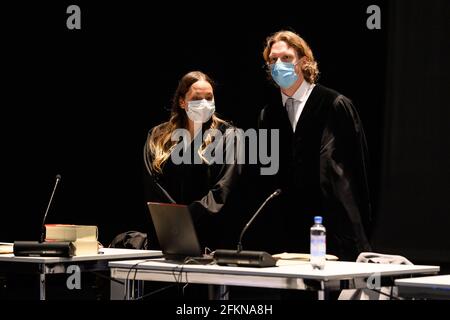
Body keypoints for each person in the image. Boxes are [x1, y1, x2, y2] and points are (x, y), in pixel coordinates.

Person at [256, 30, 372, 261]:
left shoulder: (334, 105)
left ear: (304, 61)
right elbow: (266, 176)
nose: (278, 64)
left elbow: (359, 172)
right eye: (272, 60)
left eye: (286, 58)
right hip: (288, 236)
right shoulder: (268, 115)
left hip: (334, 231)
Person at [143, 71, 241, 252]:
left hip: (210, 236)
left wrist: (186, 219)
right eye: (197, 98)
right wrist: (173, 221)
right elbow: (153, 185)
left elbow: (223, 188)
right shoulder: (158, 136)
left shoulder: (228, 135)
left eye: (209, 98)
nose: (204, 104)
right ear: (182, 102)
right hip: (167, 234)